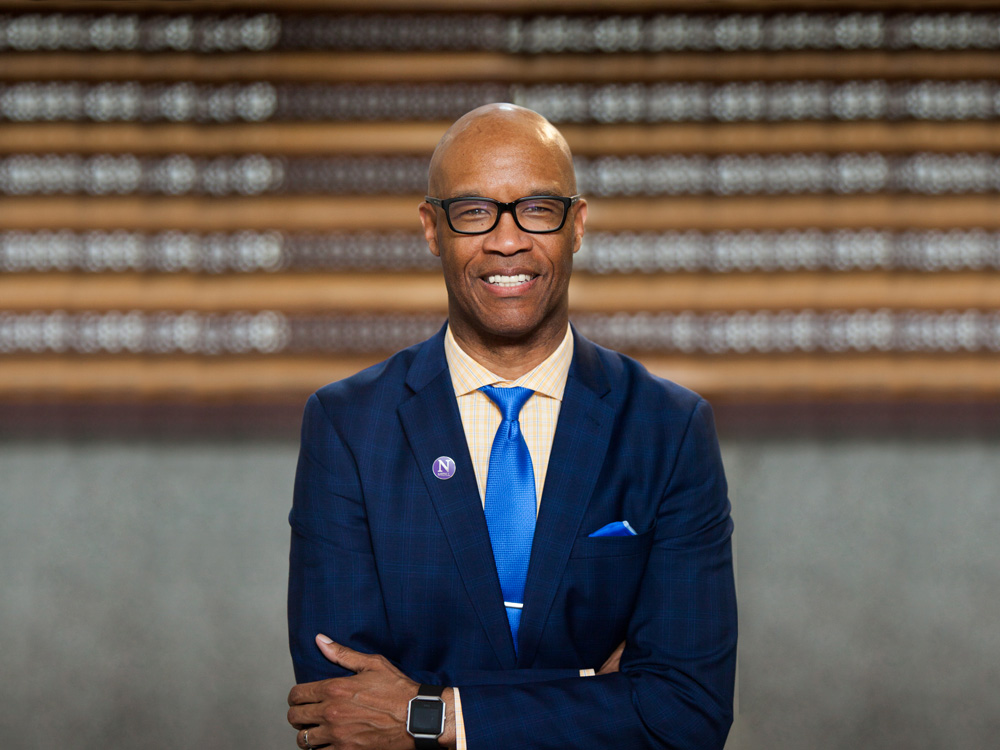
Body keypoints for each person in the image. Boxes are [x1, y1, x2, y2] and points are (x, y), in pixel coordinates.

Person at [286, 103, 737, 750]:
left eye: (538, 208)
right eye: (474, 211)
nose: (507, 240)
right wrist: (592, 687)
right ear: (431, 228)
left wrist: (431, 715)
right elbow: (342, 714)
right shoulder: (348, 426)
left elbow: (686, 713)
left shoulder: (668, 430)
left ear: (576, 225)